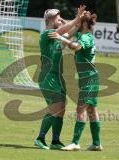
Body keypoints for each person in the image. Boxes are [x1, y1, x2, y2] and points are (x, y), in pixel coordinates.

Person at [48, 11, 103, 151]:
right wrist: (78, 16)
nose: (77, 25)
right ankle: (96, 144)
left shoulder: (87, 37)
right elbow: (71, 26)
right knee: (91, 109)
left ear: (84, 24)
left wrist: (62, 38)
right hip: (89, 78)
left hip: (89, 79)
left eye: (80, 22)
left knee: (81, 109)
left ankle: (75, 142)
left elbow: (76, 47)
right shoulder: (82, 33)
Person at [34, 6, 86, 150]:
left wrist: (80, 22)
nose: (60, 19)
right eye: (58, 17)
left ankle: (55, 141)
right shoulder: (47, 33)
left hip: (57, 77)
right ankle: (40, 138)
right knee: (55, 108)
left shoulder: (56, 37)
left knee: (61, 109)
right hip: (48, 77)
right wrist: (77, 18)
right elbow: (62, 31)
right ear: (50, 19)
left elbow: (69, 34)